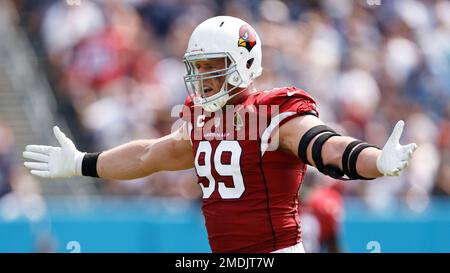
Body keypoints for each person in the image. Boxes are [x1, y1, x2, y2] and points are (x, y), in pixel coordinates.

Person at [22, 16, 417, 253]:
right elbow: (151, 155)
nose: (202, 78)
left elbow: (325, 146)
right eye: (198, 67)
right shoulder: (201, 118)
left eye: (212, 66)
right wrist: (82, 163)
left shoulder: (273, 111)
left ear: (244, 64)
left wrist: (374, 160)